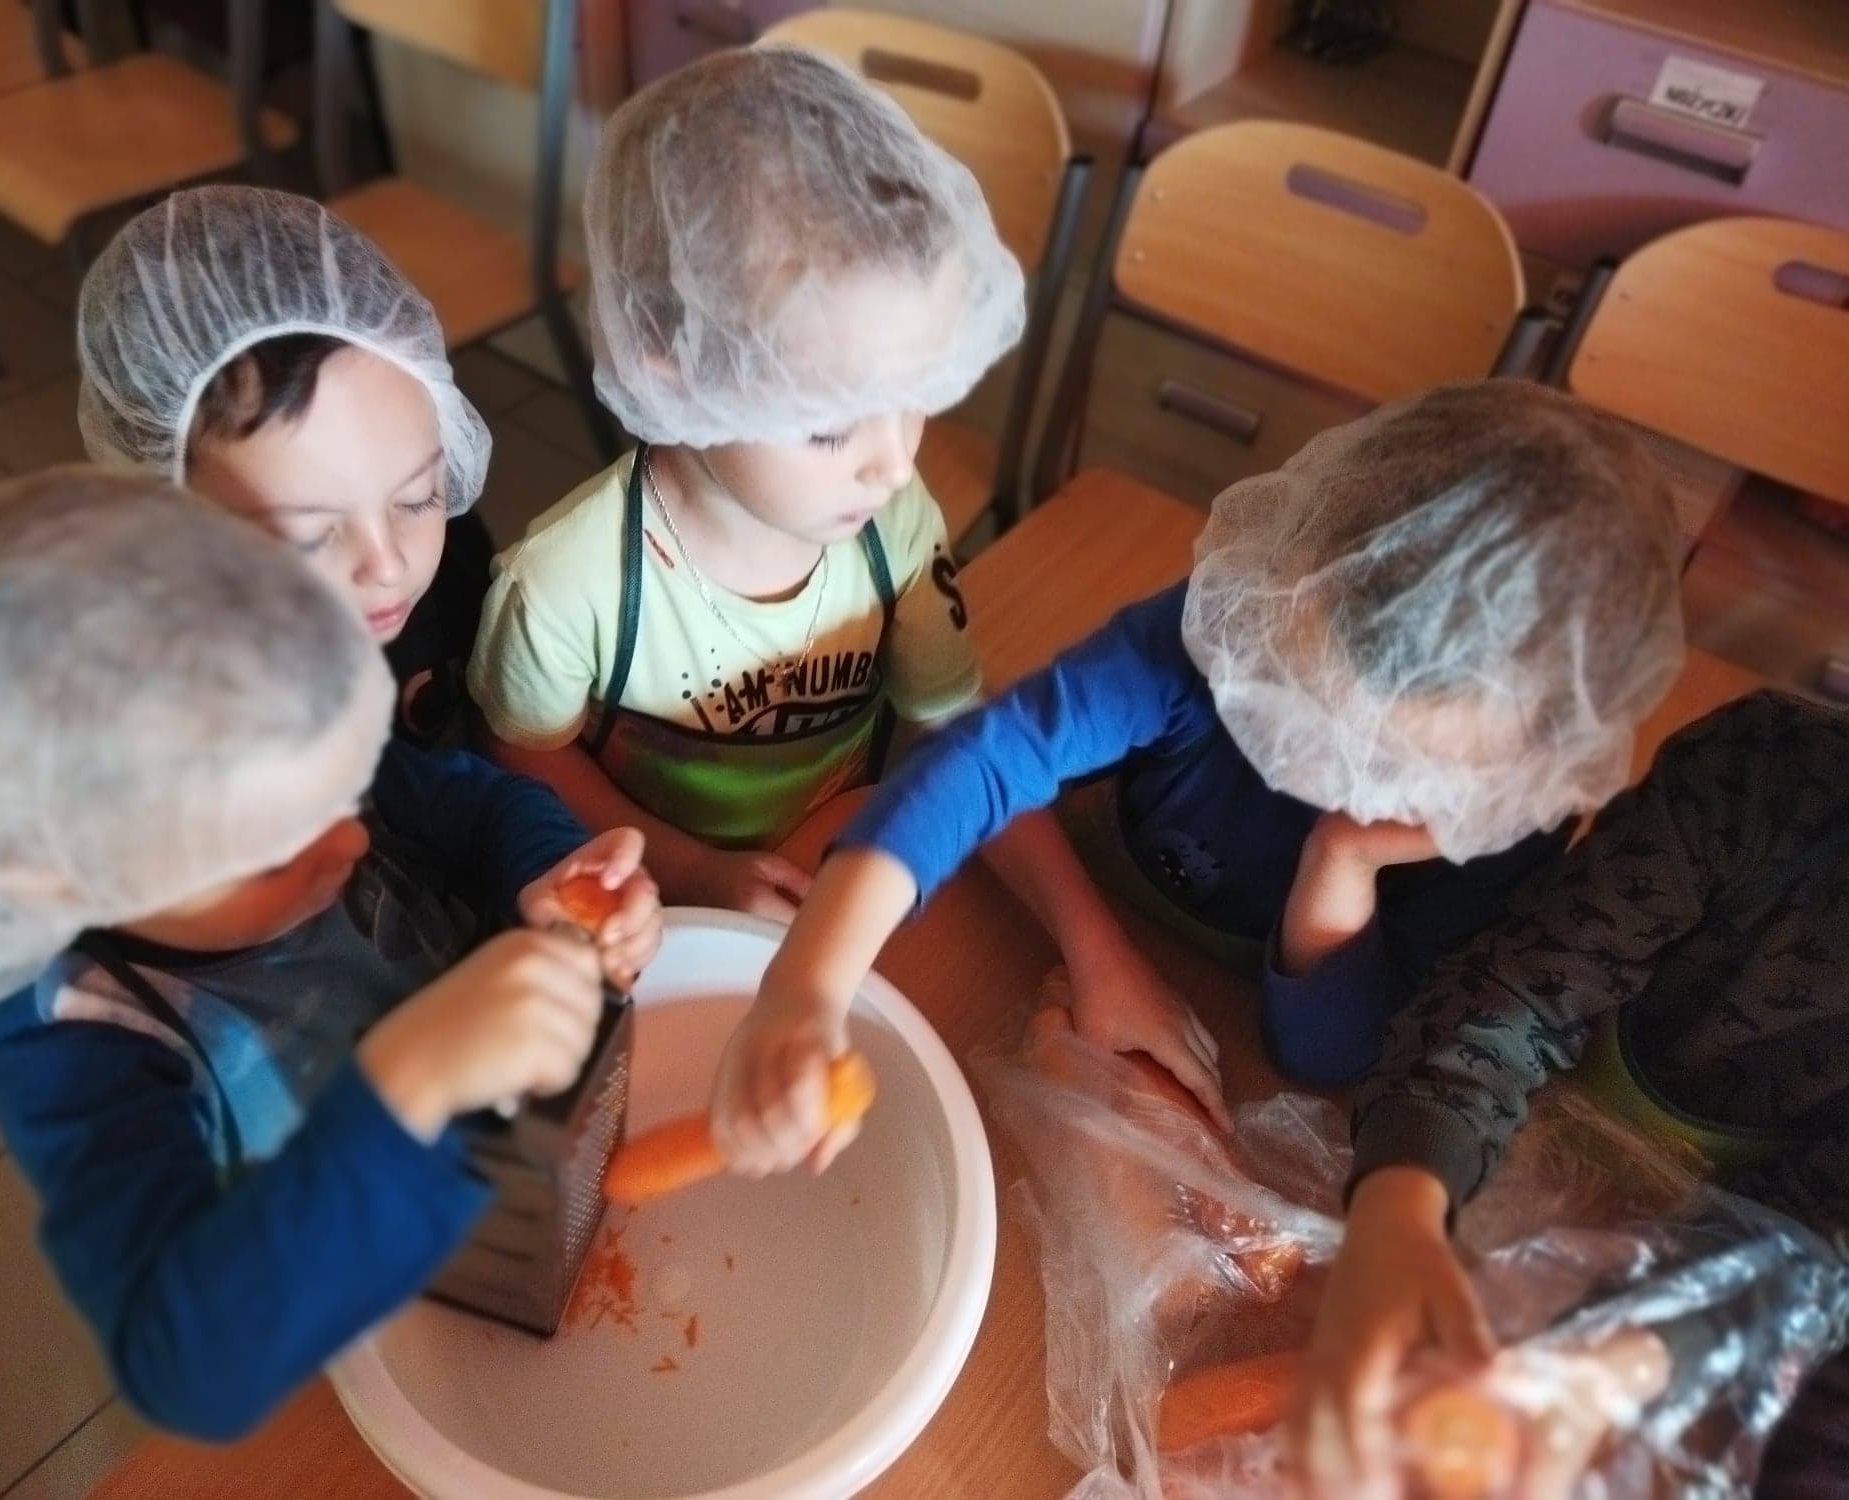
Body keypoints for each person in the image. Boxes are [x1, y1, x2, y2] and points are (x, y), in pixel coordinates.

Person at [469, 45, 1229, 1112]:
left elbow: (969, 746)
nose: (894, 464)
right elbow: (521, 754)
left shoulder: (890, 528)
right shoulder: (568, 583)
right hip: (659, 927)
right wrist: (692, 869)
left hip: (852, 873)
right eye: (829, 426)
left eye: (915, 396)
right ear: (669, 367)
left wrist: (1095, 949)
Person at [0, 469, 659, 1440]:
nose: (350, 837)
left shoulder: (280, 750)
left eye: (348, 786)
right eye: (277, 851)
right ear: (73, 876)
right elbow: (188, 1366)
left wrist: (552, 870)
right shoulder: (79, 1037)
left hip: (510, 1198)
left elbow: (478, 804)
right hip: (331, 1312)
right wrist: (407, 1083)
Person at [711, 381, 1687, 1173]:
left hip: (1244, 1039)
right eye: (1317, 716)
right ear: (1292, 582)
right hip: (1104, 898)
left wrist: (1342, 859)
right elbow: (983, 758)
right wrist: (806, 988)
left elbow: (1329, 1054)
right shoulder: (1220, 639)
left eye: (1404, 772)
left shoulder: (1503, 820)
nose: (1347, 782)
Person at [1293, 690, 1849, 1499]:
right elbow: (1515, 992)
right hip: (1492, 1149)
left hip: (1698, 1308)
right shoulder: (1767, 773)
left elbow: (1820, 1249)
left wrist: (1611, 1365)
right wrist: (1398, 1203)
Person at [76, 184, 495, 746]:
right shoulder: (176, 712)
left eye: (418, 498)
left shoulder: (458, 571)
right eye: (309, 536)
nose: (388, 565)